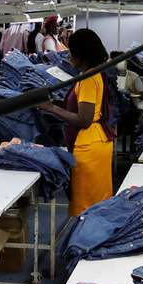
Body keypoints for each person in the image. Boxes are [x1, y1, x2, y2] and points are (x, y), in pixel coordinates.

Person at [40, 29, 115, 216]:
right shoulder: (94, 74)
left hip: (89, 147)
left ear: (82, 54)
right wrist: (57, 104)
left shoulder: (88, 78)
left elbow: (84, 119)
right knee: (98, 203)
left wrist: (51, 108)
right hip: (97, 142)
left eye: (72, 52)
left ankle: (88, 241)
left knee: (88, 208)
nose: (69, 56)